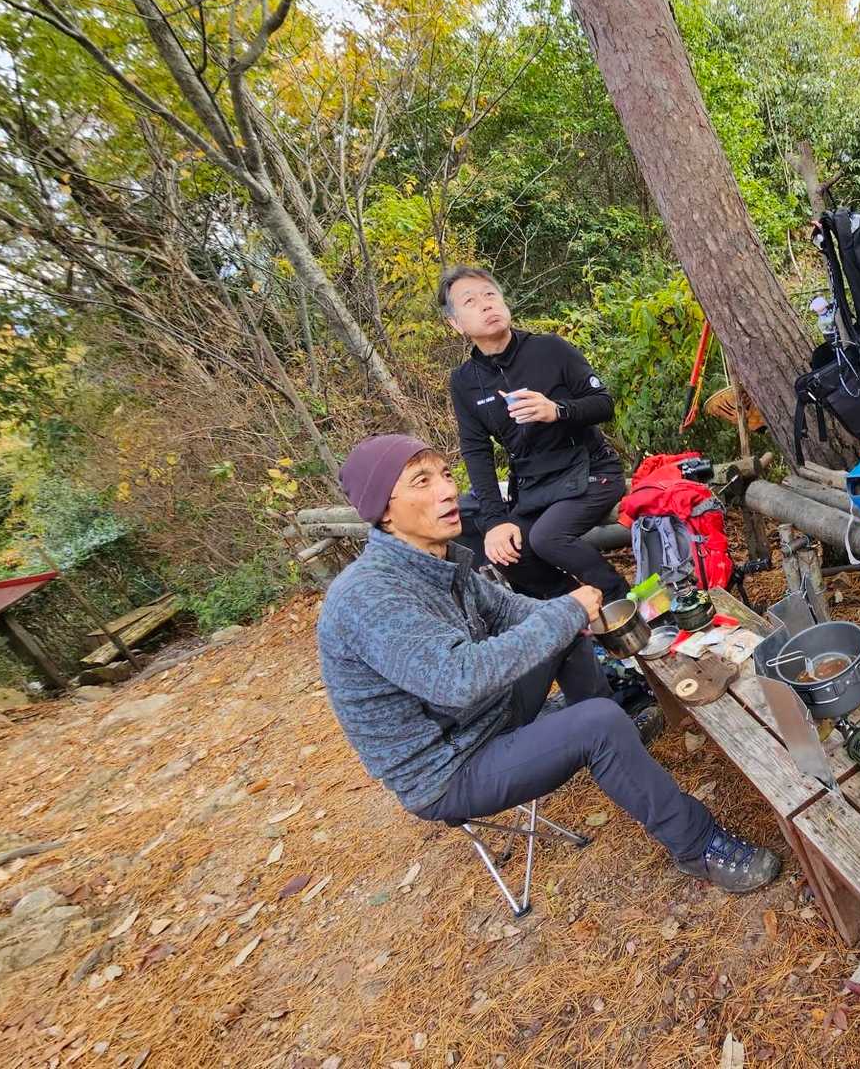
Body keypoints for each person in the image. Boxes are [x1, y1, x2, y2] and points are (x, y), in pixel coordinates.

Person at [316, 434, 780, 893]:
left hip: (486, 715)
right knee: (596, 722)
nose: (447, 490)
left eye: (444, 474)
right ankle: (696, 846)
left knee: (566, 637)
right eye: (422, 481)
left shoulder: (439, 561)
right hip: (449, 766)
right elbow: (458, 679)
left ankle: (615, 745)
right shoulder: (369, 595)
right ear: (384, 510)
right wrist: (565, 614)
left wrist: (574, 613)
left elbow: (510, 610)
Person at [442, 266, 630, 601]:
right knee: (507, 552)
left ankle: (622, 600)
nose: (486, 304)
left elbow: (604, 404)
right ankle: (577, 607)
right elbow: (476, 452)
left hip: (592, 471)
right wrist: (495, 521)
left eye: (490, 295)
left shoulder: (550, 349)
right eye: (470, 301)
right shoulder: (465, 381)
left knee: (547, 538)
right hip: (534, 487)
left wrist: (557, 410)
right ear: (456, 324)